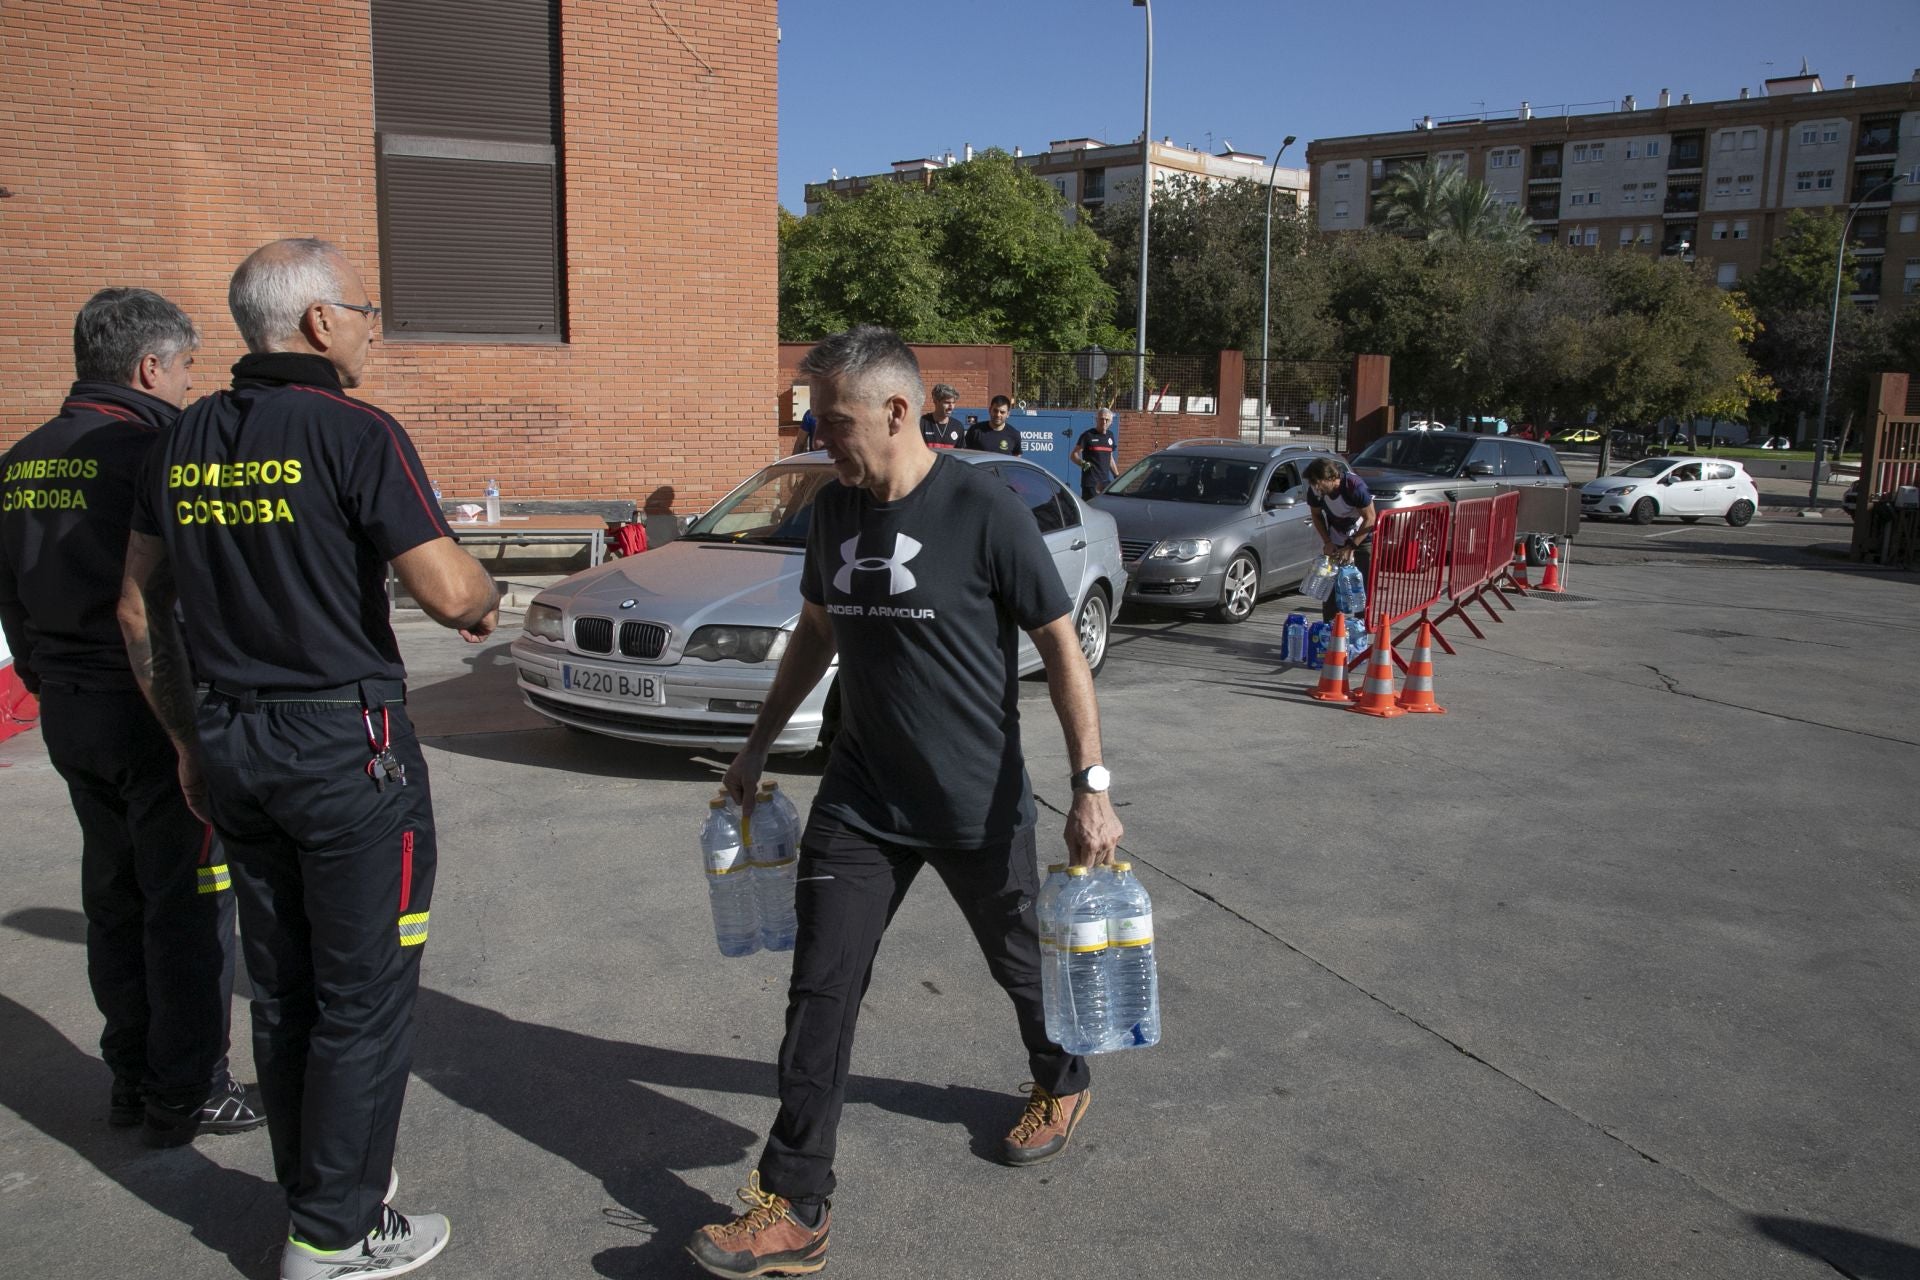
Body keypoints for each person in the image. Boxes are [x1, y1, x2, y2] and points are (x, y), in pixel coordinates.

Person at [685, 327, 1123, 1280]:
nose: (818, 435)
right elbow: (814, 630)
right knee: (821, 987)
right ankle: (796, 1201)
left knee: (1020, 968)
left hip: (975, 801)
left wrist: (1091, 786)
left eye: (832, 419)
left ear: (896, 410)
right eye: (811, 417)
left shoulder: (983, 506)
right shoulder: (835, 512)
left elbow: (1060, 648)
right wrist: (757, 747)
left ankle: (1062, 1076)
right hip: (861, 799)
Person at [121, 237, 500, 1280]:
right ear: (322, 321)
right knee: (367, 994)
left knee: (285, 990)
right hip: (346, 749)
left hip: (233, 738)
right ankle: (335, 1233)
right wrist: (489, 592)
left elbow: (137, 601)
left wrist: (190, 741)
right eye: (367, 309)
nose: (374, 326)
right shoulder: (354, 431)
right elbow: (453, 593)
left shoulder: (183, 435)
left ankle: (313, 1200)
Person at [0, 288, 265, 1148]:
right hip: (154, 710)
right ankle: (190, 1088)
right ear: (151, 366)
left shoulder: (23, 459)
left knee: (114, 897)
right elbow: (178, 597)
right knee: (188, 904)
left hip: (72, 714)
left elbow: (10, 601)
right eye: (186, 369)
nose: (190, 387)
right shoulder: (153, 451)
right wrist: (198, 729)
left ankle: (132, 1078)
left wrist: (48, 681)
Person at [1304, 457, 1376, 625]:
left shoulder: (1354, 487)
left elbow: (1370, 518)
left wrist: (1351, 546)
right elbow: (1316, 515)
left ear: (1330, 478)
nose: (1316, 487)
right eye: (1313, 483)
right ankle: (1330, 628)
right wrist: (1327, 541)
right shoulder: (1316, 491)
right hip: (1336, 539)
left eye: (1318, 482)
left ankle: (1361, 628)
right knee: (1330, 587)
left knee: (1361, 587)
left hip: (1361, 539)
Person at [1070, 407, 1119, 500]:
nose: (1104, 422)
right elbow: (1073, 455)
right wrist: (1083, 464)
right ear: (1096, 420)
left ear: (1111, 422)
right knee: (1092, 510)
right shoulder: (1088, 435)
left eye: (1107, 419)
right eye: (1101, 419)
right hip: (1091, 483)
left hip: (1105, 483)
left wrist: (1117, 476)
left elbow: (1110, 458)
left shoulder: (1110, 436)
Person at [918, 382, 966, 450]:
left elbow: (961, 454)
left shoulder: (958, 426)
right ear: (936, 401)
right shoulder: (922, 423)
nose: (951, 407)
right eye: (947, 402)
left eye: (953, 403)